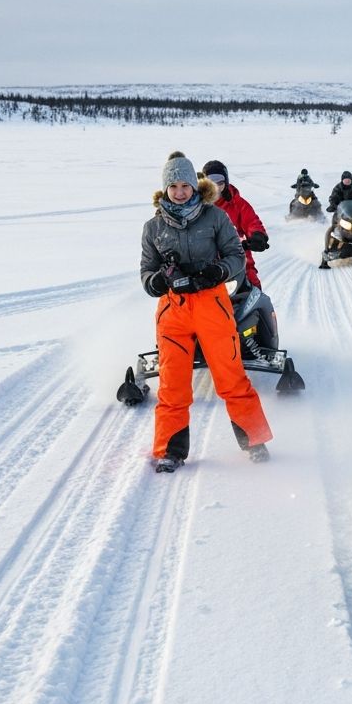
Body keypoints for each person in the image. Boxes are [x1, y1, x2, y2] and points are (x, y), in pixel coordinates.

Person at [140, 151, 273, 472]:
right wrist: (160, 279)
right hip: (174, 311)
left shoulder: (216, 217)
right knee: (172, 385)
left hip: (213, 304)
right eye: (174, 186)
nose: (180, 191)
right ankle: (170, 451)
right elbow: (146, 273)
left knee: (232, 378)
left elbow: (235, 257)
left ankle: (254, 440)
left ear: (195, 186)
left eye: (186, 184)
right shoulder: (153, 227)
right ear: (165, 189)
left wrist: (216, 272)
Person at [202, 158, 269, 289]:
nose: (216, 187)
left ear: (226, 182)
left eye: (220, 182)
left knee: (254, 287)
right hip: (205, 264)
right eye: (211, 182)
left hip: (238, 257)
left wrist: (257, 235)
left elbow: (251, 221)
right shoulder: (198, 205)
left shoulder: (238, 204)